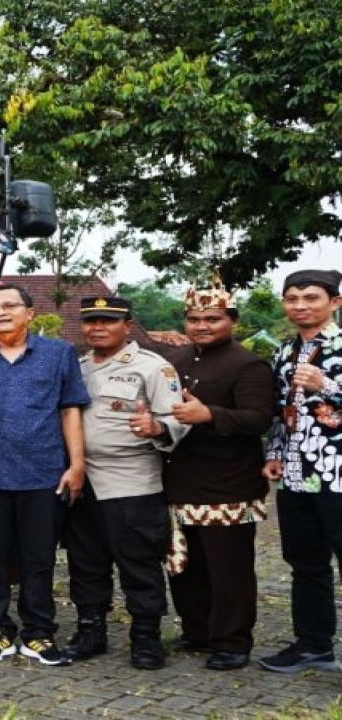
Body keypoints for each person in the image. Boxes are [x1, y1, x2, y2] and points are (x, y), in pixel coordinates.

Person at [0, 284, 89, 666]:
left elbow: (70, 410)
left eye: (9, 305)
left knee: (39, 558)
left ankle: (39, 632)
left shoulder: (58, 353)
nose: (0, 312)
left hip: (42, 473)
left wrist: (76, 465)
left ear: (29, 313)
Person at [64, 296, 186, 670]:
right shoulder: (76, 367)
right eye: (91, 321)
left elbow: (178, 419)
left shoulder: (153, 367)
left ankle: (146, 637)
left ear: (127, 325)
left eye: (108, 320)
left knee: (139, 562)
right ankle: (91, 631)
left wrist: (156, 427)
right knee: (85, 561)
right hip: (81, 480)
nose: (98, 327)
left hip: (131, 480)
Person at [160, 281, 276, 671]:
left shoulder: (248, 365)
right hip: (179, 480)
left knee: (228, 570)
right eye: (194, 319)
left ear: (233, 321)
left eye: (212, 319)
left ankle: (231, 642)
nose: (202, 326)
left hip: (228, 484)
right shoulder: (174, 360)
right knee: (186, 565)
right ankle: (198, 631)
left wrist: (210, 414)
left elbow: (259, 418)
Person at [260, 269, 342, 674]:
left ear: (335, 302)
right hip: (297, 473)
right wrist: (275, 452)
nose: (300, 306)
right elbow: (282, 411)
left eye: (311, 298)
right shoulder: (284, 352)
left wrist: (326, 385)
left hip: (338, 473)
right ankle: (314, 644)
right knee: (306, 562)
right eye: (292, 298)